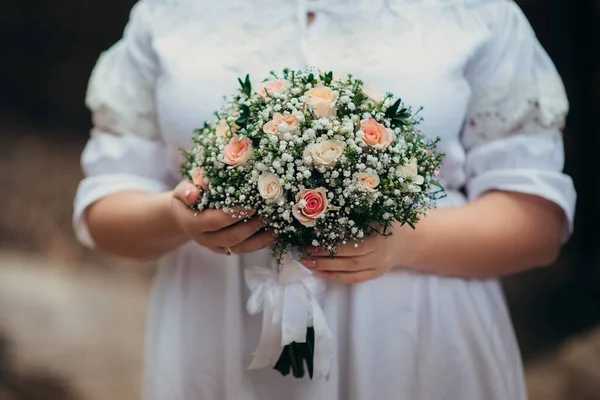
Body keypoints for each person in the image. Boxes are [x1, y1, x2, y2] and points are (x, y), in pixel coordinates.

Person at [73, 0, 576, 398]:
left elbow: (538, 224)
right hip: (218, 343)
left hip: (415, 345)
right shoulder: (170, 12)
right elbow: (104, 206)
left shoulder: (476, 11)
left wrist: (405, 242)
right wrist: (174, 217)